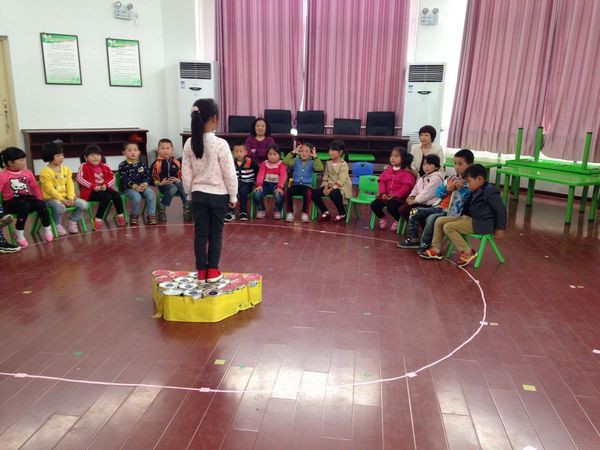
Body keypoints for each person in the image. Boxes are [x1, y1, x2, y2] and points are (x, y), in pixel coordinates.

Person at [182, 98, 237, 283]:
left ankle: (201, 272)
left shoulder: (189, 143)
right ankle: (213, 271)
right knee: (216, 234)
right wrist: (233, 195)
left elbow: (186, 172)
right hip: (219, 196)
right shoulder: (221, 144)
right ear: (214, 118)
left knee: (200, 234)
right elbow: (229, 173)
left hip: (198, 194)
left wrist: (189, 192)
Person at [423, 163, 506, 266]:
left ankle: (468, 252)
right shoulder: (474, 189)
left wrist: (500, 228)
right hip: (468, 218)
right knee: (439, 221)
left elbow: (500, 210)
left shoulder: (490, 191)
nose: (468, 184)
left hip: (481, 223)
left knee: (448, 227)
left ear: (479, 179)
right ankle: (436, 249)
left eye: (469, 182)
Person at [402, 149, 473, 256]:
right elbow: (438, 193)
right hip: (438, 207)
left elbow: (468, 201)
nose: (456, 167)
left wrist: (461, 190)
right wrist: (447, 188)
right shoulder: (451, 178)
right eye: (455, 164)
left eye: (460, 164)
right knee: (414, 211)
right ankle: (413, 239)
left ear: (470, 165)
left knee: (431, 218)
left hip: (450, 213)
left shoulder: (470, 183)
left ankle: (425, 244)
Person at [0, 147, 53, 247]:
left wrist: (39, 200)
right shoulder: (3, 175)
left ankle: (47, 228)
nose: (24, 162)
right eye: (20, 160)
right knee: (24, 205)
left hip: (26, 199)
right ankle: (19, 233)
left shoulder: (27, 172)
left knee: (40, 204)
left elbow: (35, 187)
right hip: (11, 202)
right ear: (10, 163)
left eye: (24, 159)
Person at [39, 142, 88, 235]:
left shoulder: (66, 169)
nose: (61, 157)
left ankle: (72, 221)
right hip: (51, 199)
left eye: (62, 155)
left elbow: (70, 184)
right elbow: (49, 189)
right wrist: (61, 199)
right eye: (58, 155)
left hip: (67, 198)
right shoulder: (45, 172)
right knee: (60, 207)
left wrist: (70, 197)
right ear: (49, 156)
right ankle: (57, 224)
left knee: (83, 204)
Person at [396, 154, 444, 247]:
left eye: (430, 164)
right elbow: (415, 190)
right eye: (424, 164)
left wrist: (415, 201)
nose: (426, 167)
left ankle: (414, 238)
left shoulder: (436, 178)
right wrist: (411, 196)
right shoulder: (422, 178)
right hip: (421, 202)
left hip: (431, 205)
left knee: (412, 211)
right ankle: (416, 231)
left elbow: (427, 193)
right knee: (403, 209)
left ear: (436, 167)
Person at [77, 144, 126, 230]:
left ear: (101, 156)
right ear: (86, 157)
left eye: (98, 155)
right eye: (92, 155)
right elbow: (79, 178)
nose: (95, 157)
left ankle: (120, 214)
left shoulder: (104, 166)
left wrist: (105, 185)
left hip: (103, 189)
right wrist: (93, 186)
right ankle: (98, 218)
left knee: (116, 195)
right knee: (106, 197)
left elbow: (112, 177)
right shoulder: (83, 166)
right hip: (90, 192)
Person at [370, 147, 416, 231]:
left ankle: (397, 219)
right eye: (392, 156)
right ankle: (382, 217)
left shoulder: (407, 173)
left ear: (403, 159)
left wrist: (395, 195)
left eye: (396, 156)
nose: (393, 158)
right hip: (386, 196)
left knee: (391, 207)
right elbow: (382, 182)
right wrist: (383, 193)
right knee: (374, 204)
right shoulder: (387, 171)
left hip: (399, 198)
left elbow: (406, 187)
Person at [150, 138, 192, 222]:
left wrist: (179, 179)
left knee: (182, 185)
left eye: (168, 148)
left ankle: (187, 208)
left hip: (177, 185)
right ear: (158, 150)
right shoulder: (156, 164)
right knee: (173, 187)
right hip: (164, 186)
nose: (165, 150)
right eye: (162, 148)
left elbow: (183, 174)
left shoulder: (177, 162)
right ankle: (161, 208)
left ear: (172, 150)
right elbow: (151, 178)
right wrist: (160, 183)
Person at [312, 140, 352, 222]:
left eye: (333, 150)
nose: (330, 152)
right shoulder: (328, 162)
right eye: (330, 150)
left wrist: (330, 190)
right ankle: (325, 212)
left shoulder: (343, 164)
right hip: (329, 185)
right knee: (314, 193)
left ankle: (342, 213)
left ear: (340, 152)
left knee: (334, 193)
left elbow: (341, 180)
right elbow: (326, 176)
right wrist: (325, 187)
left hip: (342, 187)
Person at [283, 142, 324, 223]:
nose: (304, 153)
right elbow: (285, 161)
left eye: (307, 151)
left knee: (308, 194)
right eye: (302, 151)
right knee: (287, 193)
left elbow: (320, 168)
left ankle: (305, 213)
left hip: (307, 186)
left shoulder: (312, 162)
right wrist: (293, 152)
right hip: (296, 185)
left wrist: (315, 157)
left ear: (311, 153)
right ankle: (290, 213)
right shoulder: (295, 161)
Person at [118, 142, 156, 226]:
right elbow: (124, 179)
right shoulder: (122, 165)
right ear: (124, 153)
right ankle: (134, 215)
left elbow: (147, 176)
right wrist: (134, 186)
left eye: (135, 150)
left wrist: (145, 183)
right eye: (129, 150)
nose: (133, 152)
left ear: (139, 152)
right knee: (137, 197)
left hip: (141, 187)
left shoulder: (142, 164)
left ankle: (151, 215)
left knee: (150, 193)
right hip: (128, 188)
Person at [225, 143, 258, 222]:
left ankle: (243, 212)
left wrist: (256, 182)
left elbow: (257, 171)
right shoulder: (231, 162)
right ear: (233, 153)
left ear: (245, 152)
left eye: (241, 151)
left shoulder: (251, 162)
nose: (238, 154)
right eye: (236, 152)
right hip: (234, 183)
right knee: (231, 192)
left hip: (247, 183)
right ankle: (231, 212)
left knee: (243, 192)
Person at [253, 144, 287, 219]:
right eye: (270, 154)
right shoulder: (264, 164)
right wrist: (259, 185)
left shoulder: (282, 164)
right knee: (257, 194)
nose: (272, 156)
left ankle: (277, 210)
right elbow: (260, 174)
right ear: (267, 155)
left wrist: (280, 187)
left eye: (275, 154)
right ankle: (261, 209)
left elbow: (283, 176)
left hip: (277, 185)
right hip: (265, 185)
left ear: (279, 155)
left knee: (279, 195)